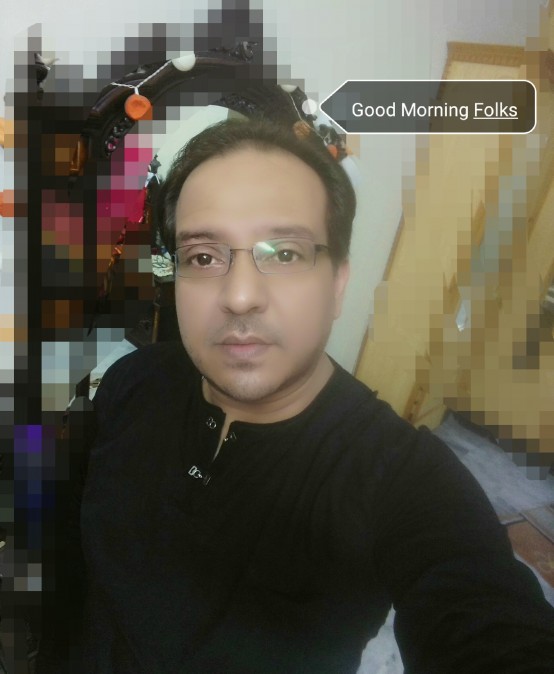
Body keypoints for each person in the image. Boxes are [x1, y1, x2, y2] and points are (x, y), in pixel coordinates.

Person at [37, 117, 554, 674]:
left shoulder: (403, 480)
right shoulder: (132, 382)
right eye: (204, 257)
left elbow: (487, 622)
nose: (240, 296)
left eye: (284, 254)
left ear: (337, 284)